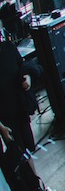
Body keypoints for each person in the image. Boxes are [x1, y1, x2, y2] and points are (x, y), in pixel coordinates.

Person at [0, 26, 42, 156]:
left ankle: (34, 176)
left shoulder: (8, 48)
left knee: (28, 151)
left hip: (20, 110)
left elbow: (24, 67)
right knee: (18, 155)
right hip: (6, 118)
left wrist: (27, 77)